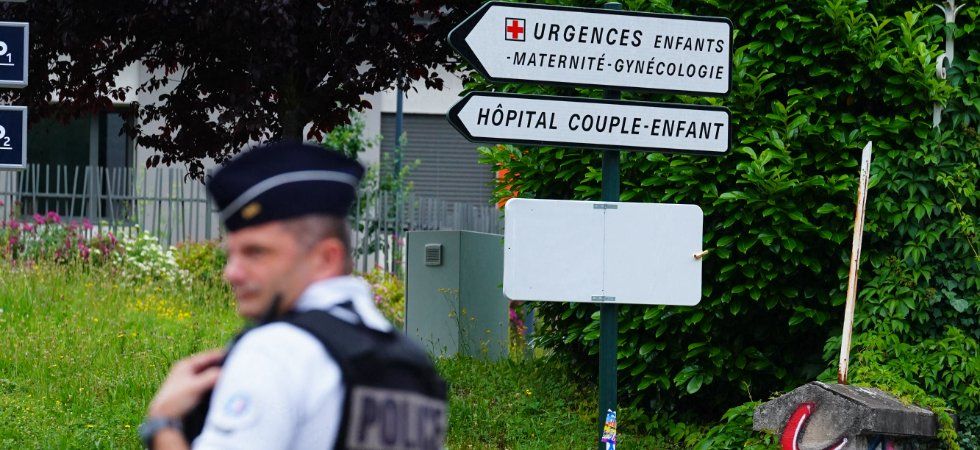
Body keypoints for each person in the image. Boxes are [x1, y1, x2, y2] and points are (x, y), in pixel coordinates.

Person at [138, 141, 447, 450]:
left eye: (256, 252)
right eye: (231, 255)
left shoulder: (275, 352)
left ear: (326, 259)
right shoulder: (413, 364)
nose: (231, 273)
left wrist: (162, 423)